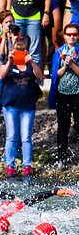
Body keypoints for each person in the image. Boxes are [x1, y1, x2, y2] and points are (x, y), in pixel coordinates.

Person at [0, 37, 44, 177]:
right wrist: (10, 61)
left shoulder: (30, 65)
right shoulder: (9, 65)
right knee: (11, 136)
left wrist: (32, 62)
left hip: (27, 107)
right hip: (11, 106)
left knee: (26, 137)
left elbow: (40, 76)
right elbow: (1, 75)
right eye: (17, 50)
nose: (19, 53)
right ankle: (10, 166)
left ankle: (27, 165)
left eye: (22, 51)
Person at [50, 23, 79, 163]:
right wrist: (65, 65)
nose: (72, 37)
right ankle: (62, 156)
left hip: (77, 91)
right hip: (63, 92)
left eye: (74, 34)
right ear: (65, 36)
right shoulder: (59, 52)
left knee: (78, 122)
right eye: (69, 34)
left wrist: (72, 64)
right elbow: (56, 74)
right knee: (63, 125)